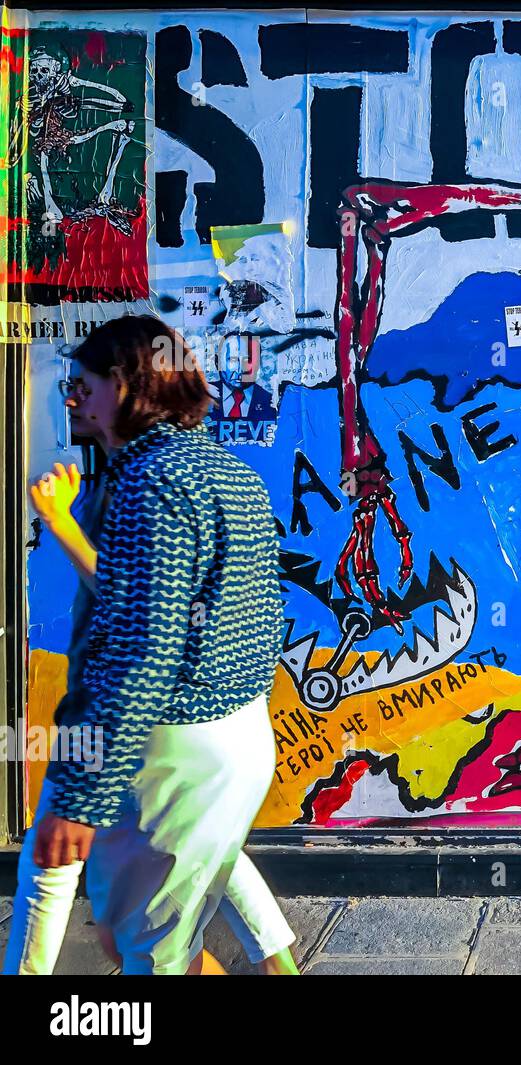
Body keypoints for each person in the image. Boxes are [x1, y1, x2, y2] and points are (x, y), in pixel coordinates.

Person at [6, 315, 288, 975]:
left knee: (146, 952)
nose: (69, 396)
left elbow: (144, 648)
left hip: (175, 747)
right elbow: (258, 615)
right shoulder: (226, 469)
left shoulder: (148, 481)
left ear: (127, 386)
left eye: (83, 383)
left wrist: (80, 797)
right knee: (153, 932)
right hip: (237, 736)